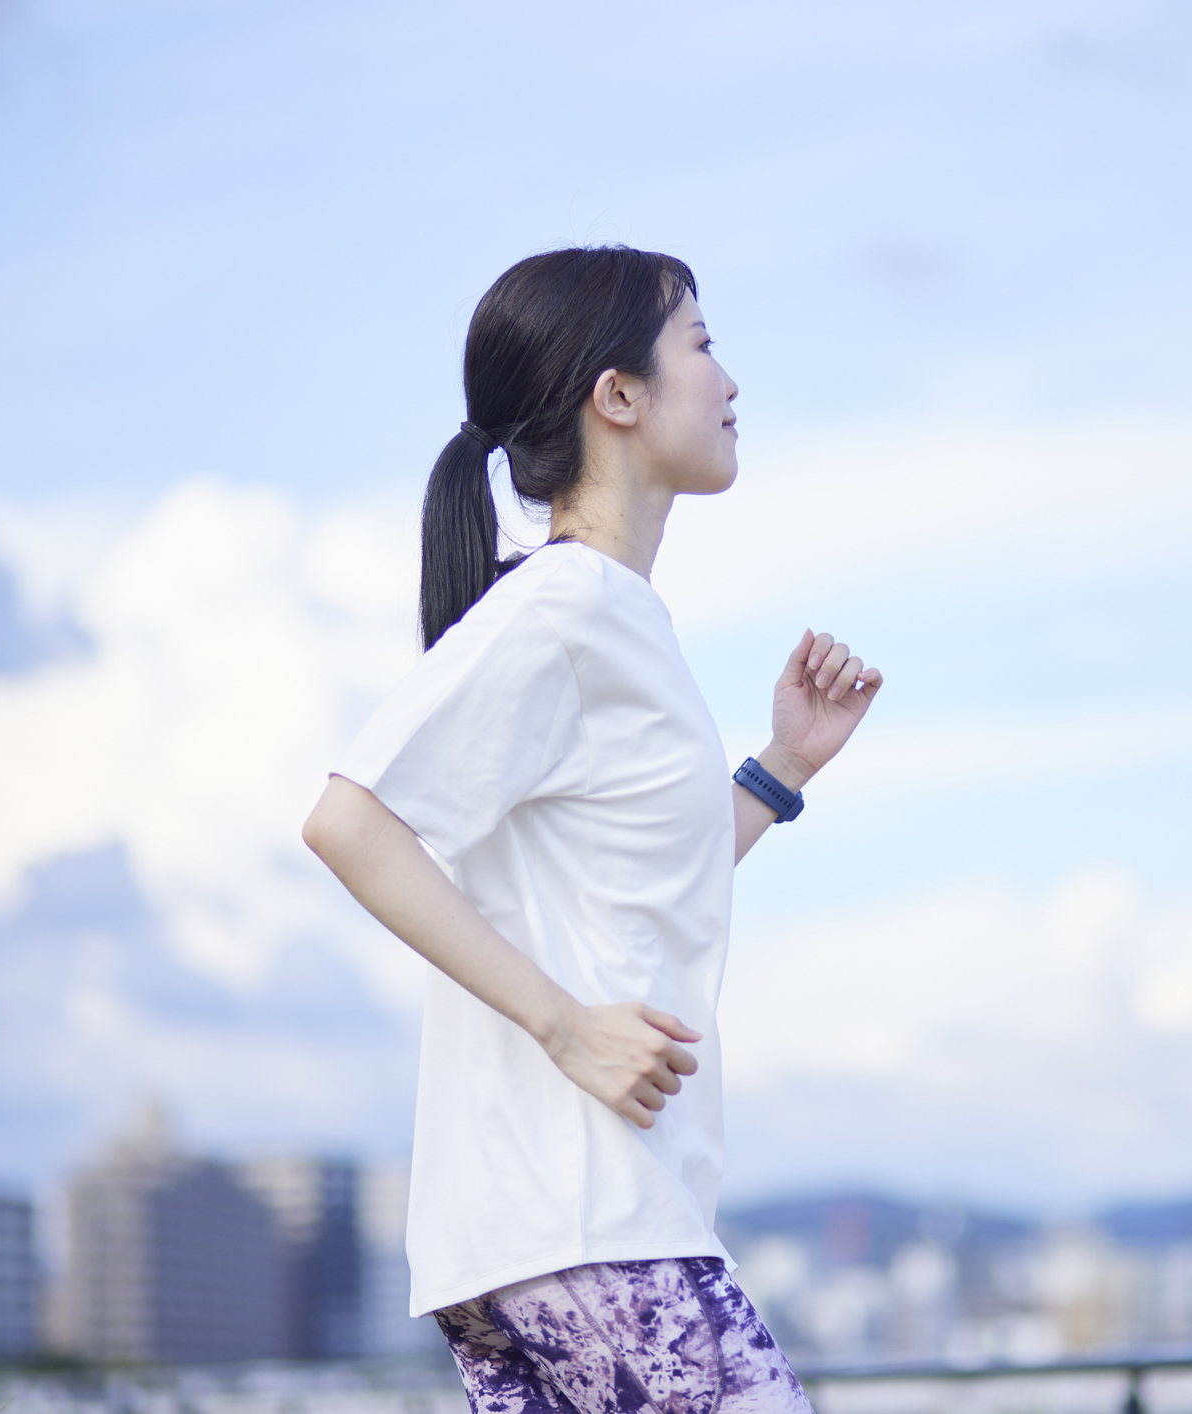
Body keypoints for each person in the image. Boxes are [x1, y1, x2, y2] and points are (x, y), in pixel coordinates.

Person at [302, 247, 881, 1414]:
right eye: (702, 345)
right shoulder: (562, 609)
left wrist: (776, 772)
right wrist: (563, 1027)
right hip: (585, 1215)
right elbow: (348, 821)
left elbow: (638, 879)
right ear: (615, 397)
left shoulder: (608, 619)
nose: (729, 381)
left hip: (537, 1233)